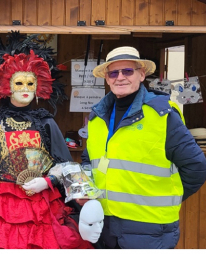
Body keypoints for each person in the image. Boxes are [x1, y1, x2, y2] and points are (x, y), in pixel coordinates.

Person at [0, 50, 94, 249]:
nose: (25, 88)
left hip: (41, 201)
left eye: (30, 83)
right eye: (19, 83)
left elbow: (65, 164)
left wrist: (47, 180)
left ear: (38, 87)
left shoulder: (46, 122)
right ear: (7, 86)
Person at [81, 46, 206, 249]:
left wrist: (167, 198)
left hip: (150, 228)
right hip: (105, 226)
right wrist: (85, 191)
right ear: (107, 78)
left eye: (127, 71)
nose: (120, 77)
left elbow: (196, 167)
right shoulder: (97, 118)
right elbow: (90, 160)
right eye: (114, 72)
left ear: (141, 74)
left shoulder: (163, 115)